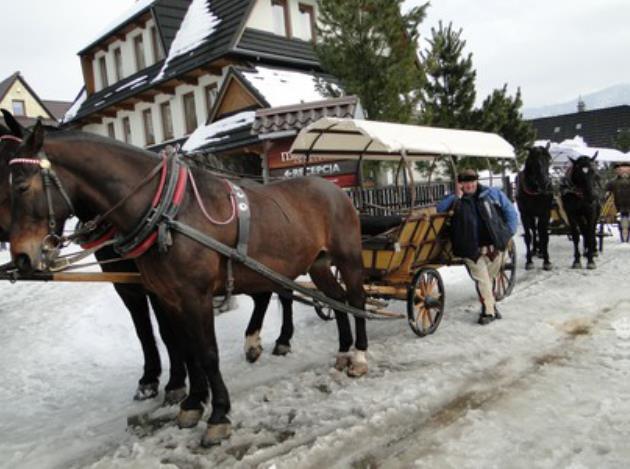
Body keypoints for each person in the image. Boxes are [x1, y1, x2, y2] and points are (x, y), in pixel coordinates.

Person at [437, 169, 518, 325]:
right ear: (460, 184)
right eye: (465, 183)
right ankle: (488, 312)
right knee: (484, 281)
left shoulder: (492, 194)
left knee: (490, 278)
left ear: (476, 182)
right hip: (471, 250)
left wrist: (507, 233)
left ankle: (490, 306)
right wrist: (456, 197)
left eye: (472, 182)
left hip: (495, 247)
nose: (469, 186)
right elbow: (439, 210)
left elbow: (510, 212)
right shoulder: (455, 200)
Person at [606, 162, 630, 242]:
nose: (625, 171)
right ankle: (624, 238)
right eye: (622, 169)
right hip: (619, 206)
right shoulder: (613, 182)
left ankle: (625, 237)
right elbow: (607, 190)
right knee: (623, 222)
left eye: (627, 169)